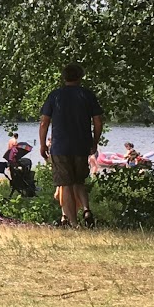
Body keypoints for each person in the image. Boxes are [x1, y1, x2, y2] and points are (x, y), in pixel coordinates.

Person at [39, 62, 105, 228]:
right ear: (80, 77)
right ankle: (87, 210)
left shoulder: (55, 95)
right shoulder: (87, 95)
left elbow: (44, 122)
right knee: (79, 181)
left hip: (60, 146)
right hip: (81, 145)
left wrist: (42, 144)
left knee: (65, 184)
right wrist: (95, 142)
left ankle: (74, 223)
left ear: (64, 77)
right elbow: (98, 121)